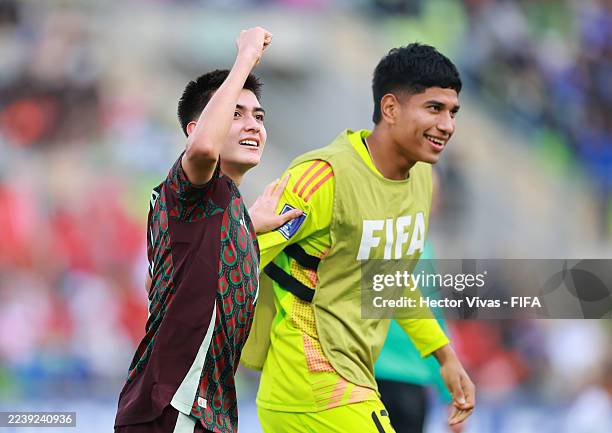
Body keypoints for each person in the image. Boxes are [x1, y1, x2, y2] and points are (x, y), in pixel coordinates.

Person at [241, 43, 475, 432]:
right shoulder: (322, 177)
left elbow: (392, 281)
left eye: (452, 112)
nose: (447, 124)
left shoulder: (421, 180)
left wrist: (445, 356)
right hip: (311, 382)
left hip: (354, 376)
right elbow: (240, 258)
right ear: (390, 108)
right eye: (433, 108)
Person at [114, 27, 301, 433]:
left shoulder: (223, 208)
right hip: (174, 406)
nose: (252, 125)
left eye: (258, 116)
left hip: (200, 412)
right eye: (236, 113)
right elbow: (202, 150)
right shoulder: (193, 186)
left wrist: (247, 226)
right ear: (194, 129)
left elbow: (188, 269)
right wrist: (246, 58)